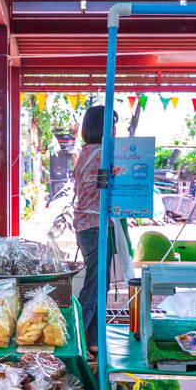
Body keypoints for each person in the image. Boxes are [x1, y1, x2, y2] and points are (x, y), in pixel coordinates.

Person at [73, 105, 117, 354]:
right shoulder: (103, 153)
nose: (114, 129)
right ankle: (78, 333)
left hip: (88, 226)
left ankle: (93, 339)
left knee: (101, 282)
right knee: (97, 284)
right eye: (111, 124)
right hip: (95, 226)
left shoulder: (87, 152)